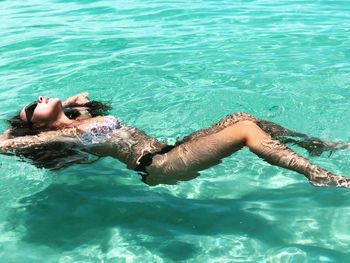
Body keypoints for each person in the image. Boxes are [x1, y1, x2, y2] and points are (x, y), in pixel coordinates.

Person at [0, 93, 349, 187]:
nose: (40, 98)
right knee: (245, 132)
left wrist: (67, 106)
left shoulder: (81, 118)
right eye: (33, 106)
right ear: (36, 127)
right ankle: (320, 177)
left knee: (243, 117)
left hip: (170, 148)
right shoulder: (64, 136)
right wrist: (15, 132)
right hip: (159, 166)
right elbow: (4, 145)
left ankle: (314, 145)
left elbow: (83, 93)